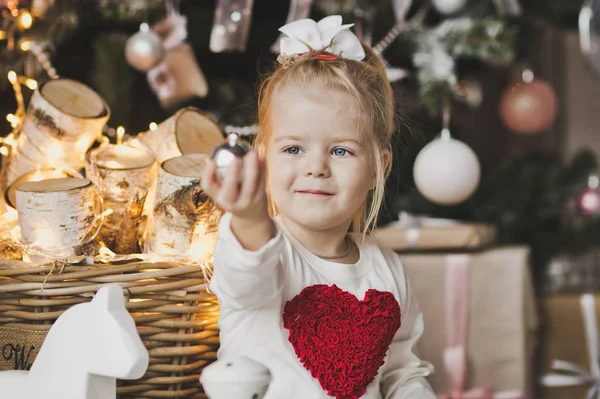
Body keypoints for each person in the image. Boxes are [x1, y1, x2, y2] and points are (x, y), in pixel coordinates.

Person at [201, 15, 435, 399]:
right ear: (262, 157)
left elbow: (401, 372)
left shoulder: (387, 268)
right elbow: (245, 276)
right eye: (293, 149)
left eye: (341, 150)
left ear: (379, 167)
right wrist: (249, 215)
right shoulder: (265, 254)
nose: (316, 167)